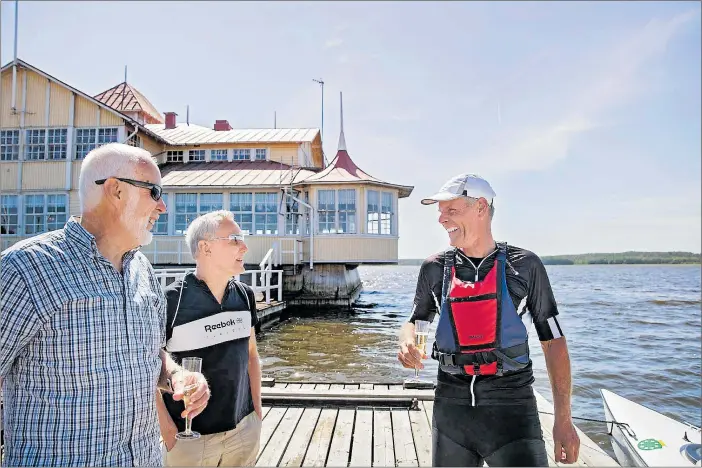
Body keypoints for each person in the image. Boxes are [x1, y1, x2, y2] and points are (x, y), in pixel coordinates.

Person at [0, 143, 210, 467]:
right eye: (154, 192)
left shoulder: (143, 270)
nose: (163, 207)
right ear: (115, 191)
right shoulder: (24, 270)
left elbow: (152, 355)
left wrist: (176, 376)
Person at [398, 173, 581, 467]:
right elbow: (416, 319)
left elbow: (554, 342)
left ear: (481, 207)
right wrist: (407, 342)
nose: (441, 219)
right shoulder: (434, 268)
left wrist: (564, 420)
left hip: (512, 409)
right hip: (451, 409)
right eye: (440, 212)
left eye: (451, 210)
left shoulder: (525, 265)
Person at [157, 210, 263, 467]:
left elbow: (251, 356)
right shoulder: (170, 301)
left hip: (243, 431)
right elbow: (147, 368)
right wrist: (168, 431)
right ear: (205, 247)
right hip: (189, 441)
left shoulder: (245, 295)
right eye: (235, 239)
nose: (245, 246)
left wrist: (256, 415)